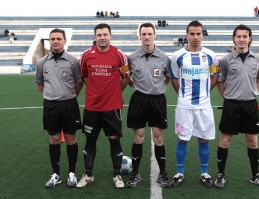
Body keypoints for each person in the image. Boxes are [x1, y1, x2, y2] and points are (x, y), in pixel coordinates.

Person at [214, 24, 259, 189]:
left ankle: (255, 176)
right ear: (234, 39)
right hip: (231, 105)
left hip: (250, 106)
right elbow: (220, 81)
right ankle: (221, 175)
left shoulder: (258, 60)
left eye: (245, 36)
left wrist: (253, 93)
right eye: (238, 36)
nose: (241, 39)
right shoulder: (225, 60)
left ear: (250, 39)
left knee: (253, 141)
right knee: (225, 141)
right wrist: (228, 97)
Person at [76, 23, 130, 189]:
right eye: (99, 35)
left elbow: (126, 76)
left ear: (111, 36)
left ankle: (117, 175)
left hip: (112, 107)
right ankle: (89, 175)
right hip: (92, 107)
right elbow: (84, 76)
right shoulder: (86, 56)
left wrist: (113, 92)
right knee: (90, 140)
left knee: (114, 140)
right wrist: (95, 92)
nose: (102, 37)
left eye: (105, 34)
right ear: (95, 37)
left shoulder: (120, 55)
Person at [170, 20, 219, 188]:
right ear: (187, 35)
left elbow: (214, 76)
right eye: (192, 34)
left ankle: (204, 173)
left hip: (204, 106)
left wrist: (206, 93)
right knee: (182, 139)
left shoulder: (211, 56)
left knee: (204, 139)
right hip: (184, 106)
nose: (195, 37)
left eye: (199, 34)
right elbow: (174, 78)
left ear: (202, 35)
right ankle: (180, 173)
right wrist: (182, 96)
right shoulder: (177, 56)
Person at [35, 28, 83, 188]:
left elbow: (78, 83)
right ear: (50, 41)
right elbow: (40, 84)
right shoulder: (42, 62)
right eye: (52, 39)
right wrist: (53, 96)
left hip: (69, 105)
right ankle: (56, 174)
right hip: (50, 106)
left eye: (58, 39)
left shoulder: (73, 61)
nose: (55, 41)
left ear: (64, 41)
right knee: (54, 139)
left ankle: (71, 174)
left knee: (71, 139)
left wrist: (66, 96)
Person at [126, 22, 172, 188]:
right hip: (139, 100)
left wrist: (158, 87)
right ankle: (135, 174)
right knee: (138, 138)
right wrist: (137, 87)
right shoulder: (131, 58)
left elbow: (168, 77)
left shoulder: (164, 58)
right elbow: (126, 76)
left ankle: (163, 173)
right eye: (143, 34)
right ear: (139, 36)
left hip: (157, 101)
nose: (146, 37)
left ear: (154, 35)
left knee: (158, 138)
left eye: (149, 34)